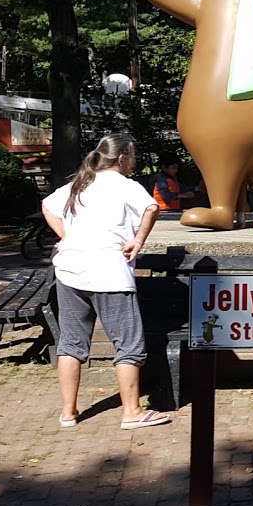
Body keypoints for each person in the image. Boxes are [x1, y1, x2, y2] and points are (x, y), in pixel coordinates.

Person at [41, 133, 170, 430]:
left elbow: (47, 205)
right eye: (133, 156)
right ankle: (132, 411)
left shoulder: (81, 182)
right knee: (128, 344)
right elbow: (152, 208)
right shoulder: (126, 186)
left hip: (70, 271)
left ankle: (68, 412)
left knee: (71, 343)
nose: (133, 161)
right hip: (110, 272)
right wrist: (138, 240)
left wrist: (66, 237)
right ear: (123, 158)